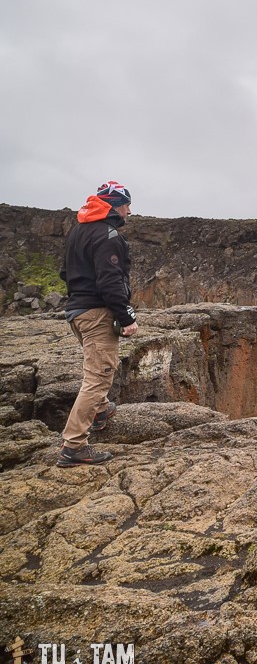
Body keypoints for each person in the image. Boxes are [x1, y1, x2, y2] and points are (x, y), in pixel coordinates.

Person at [56, 180, 138, 468]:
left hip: (76, 312)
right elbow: (110, 281)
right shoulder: (108, 235)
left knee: (97, 369)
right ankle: (74, 446)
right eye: (127, 204)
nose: (130, 210)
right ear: (115, 206)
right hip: (97, 314)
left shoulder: (79, 230)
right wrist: (126, 317)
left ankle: (101, 411)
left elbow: (65, 273)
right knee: (98, 376)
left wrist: (81, 299)